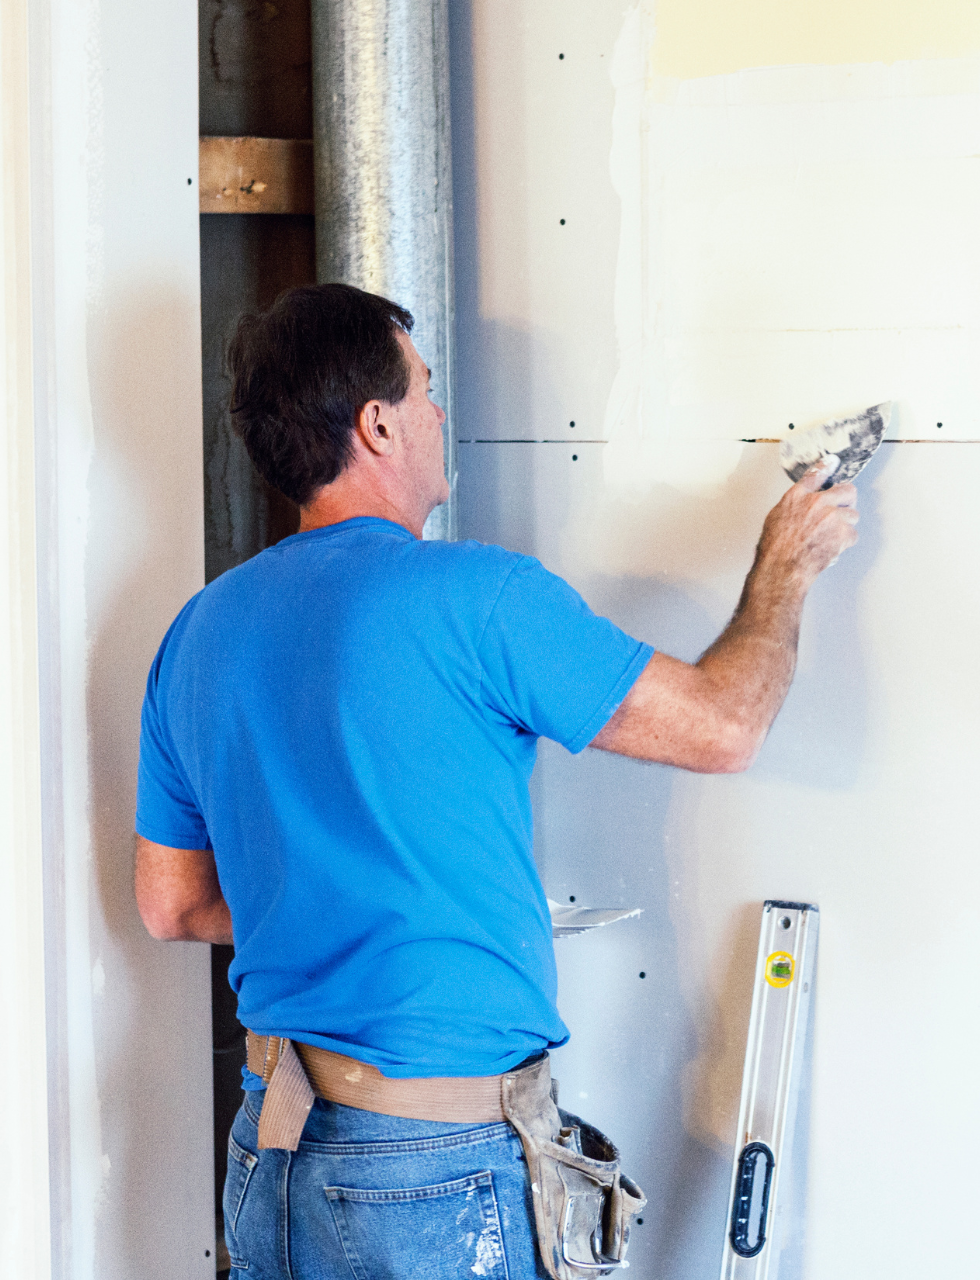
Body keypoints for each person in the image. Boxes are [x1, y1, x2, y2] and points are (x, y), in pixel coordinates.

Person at [132, 282, 858, 1279]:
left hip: (275, 1149)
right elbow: (726, 726)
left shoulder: (200, 632)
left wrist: (336, 900)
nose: (439, 414)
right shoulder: (480, 598)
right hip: (434, 1165)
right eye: (425, 391)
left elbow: (172, 904)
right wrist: (787, 564)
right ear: (378, 423)